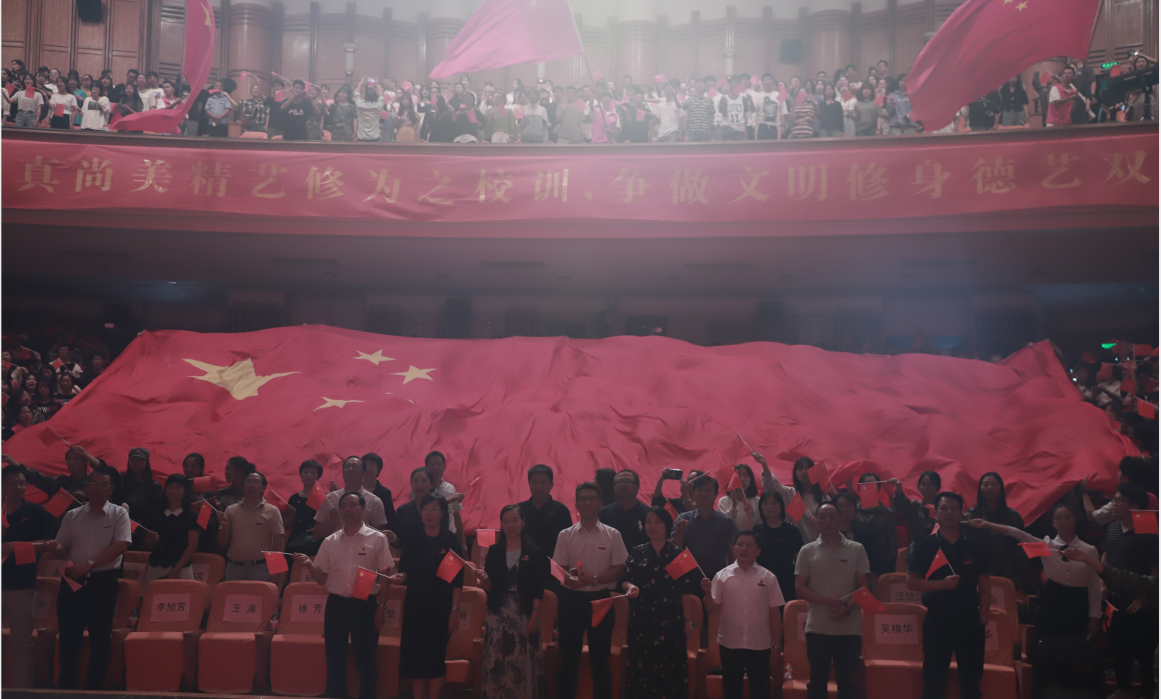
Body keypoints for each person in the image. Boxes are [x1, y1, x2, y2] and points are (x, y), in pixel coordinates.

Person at [295, 491, 394, 699]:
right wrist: (308, 564)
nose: (348, 509)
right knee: (335, 659)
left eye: (353, 504)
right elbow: (321, 579)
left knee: (366, 659)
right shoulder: (330, 541)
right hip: (336, 605)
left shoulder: (377, 538)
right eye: (344, 505)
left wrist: (382, 607)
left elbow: (385, 577)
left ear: (363, 509)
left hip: (365, 606)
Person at [46, 466, 131, 689]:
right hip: (72, 579)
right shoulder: (72, 515)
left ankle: (93, 690)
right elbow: (63, 549)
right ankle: (67, 689)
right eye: (93, 484)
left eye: (103, 485)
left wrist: (89, 564)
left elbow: (121, 546)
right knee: (68, 638)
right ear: (87, 486)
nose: (97, 488)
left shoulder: (119, 514)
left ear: (111, 489)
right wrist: (56, 548)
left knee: (99, 640)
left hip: (103, 581)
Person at [968, 503, 1100, 639]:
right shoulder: (1046, 546)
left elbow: (1094, 585)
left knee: (1077, 645)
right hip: (1053, 600)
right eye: (1058, 518)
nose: (1064, 522)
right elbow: (1017, 533)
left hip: (1079, 602)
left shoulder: (1089, 550)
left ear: (1075, 519)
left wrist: (1094, 617)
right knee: (1050, 644)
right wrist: (987, 524)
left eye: (1068, 517)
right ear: (1052, 523)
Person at [907, 492, 991, 699]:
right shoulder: (924, 545)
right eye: (943, 508)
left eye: (954, 508)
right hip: (937, 619)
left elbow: (985, 585)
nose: (949, 512)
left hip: (970, 619)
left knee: (971, 683)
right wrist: (942, 585)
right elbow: (912, 583)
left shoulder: (976, 546)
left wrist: (983, 618)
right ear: (936, 513)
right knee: (934, 681)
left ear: (962, 513)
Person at [553, 482, 628, 699]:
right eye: (583, 499)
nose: (587, 503)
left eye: (592, 498)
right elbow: (559, 569)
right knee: (568, 658)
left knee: (600, 660)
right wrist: (568, 579)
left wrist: (594, 580)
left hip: (601, 601)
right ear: (576, 504)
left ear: (600, 503)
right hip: (571, 599)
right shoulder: (565, 535)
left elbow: (619, 570)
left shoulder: (613, 534)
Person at [620, 506, 701, 699]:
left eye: (658, 521)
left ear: (667, 525)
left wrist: (687, 620)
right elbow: (625, 580)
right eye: (648, 521)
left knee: (671, 669)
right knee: (642, 668)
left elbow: (685, 591)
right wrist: (630, 587)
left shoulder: (679, 554)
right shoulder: (637, 551)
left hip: (671, 620)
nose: (652, 526)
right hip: (642, 619)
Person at [794, 502, 870, 699]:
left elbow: (864, 588)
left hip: (849, 629)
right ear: (815, 521)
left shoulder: (857, 549)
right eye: (822, 517)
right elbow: (799, 588)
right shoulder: (807, 550)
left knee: (847, 684)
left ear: (841, 519)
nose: (827, 521)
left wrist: (847, 608)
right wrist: (826, 600)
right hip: (817, 628)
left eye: (832, 516)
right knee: (817, 683)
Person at [394, 494, 464, 699]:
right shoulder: (413, 538)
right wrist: (401, 577)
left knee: (435, 655)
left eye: (434, 508)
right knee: (415, 655)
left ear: (442, 513)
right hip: (415, 606)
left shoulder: (449, 541)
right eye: (425, 508)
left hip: (440, 608)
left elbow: (456, 581)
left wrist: (455, 611)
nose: (429, 513)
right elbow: (406, 571)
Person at [476, 503, 548, 699]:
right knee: (496, 658)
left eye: (515, 520)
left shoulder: (534, 551)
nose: (510, 525)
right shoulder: (494, 551)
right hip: (498, 612)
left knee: (520, 660)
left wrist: (534, 616)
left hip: (523, 612)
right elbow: (490, 587)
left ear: (523, 522)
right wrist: (484, 580)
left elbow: (538, 588)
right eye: (506, 521)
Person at [702, 530, 784, 699]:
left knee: (761, 692)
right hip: (729, 643)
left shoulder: (768, 577)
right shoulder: (722, 576)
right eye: (740, 544)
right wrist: (707, 593)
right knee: (731, 691)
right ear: (734, 548)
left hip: (760, 644)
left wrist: (776, 646)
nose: (744, 548)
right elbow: (711, 609)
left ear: (758, 551)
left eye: (749, 545)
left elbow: (775, 613)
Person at [1099, 483, 1158, 698]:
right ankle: (1123, 691)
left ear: (1134, 506)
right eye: (1113, 500)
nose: (1113, 504)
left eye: (1118, 500)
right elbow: (1105, 557)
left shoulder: (1150, 531)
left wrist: (1145, 599)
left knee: (1145, 656)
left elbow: (1156, 571)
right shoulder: (1113, 527)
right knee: (1118, 652)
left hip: (1140, 604)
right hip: (1114, 602)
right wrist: (1102, 584)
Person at [1, 465, 52, 688]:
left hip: (21, 585)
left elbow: (47, 544)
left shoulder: (36, 512)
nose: (19, 487)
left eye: (22, 483)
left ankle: (23, 691)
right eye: (13, 483)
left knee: (22, 644)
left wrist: (13, 548)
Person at [216, 471, 286, 583]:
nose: (252, 485)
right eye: (248, 481)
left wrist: (276, 572)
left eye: (256, 482)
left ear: (263, 488)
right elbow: (222, 543)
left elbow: (279, 544)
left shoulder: (272, 511)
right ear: (242, 486)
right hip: (234, 568)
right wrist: (224, 527)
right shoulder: (231, 510)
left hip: (261, 568)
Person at [965, 472, 1026, 589]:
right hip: (980, 570)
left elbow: (1021, 547)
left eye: (993, 484)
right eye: (985, 484)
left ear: (1001, 488)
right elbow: (968, 544)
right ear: (980, 488)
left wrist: (1019, 575)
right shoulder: (973, 514)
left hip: (1008, 572)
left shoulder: (1013, 516)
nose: (989, 488)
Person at [671, 474, 738, 580]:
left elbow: (732, 552)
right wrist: (679, 531)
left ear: (716, 494)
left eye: (708, 490)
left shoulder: (726, 521)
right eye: (699, 490)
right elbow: (674, 551)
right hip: (688, 579)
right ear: (693, 494)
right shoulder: (683, 519)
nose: (703, 493)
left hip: (718, 579)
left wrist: (730, 577)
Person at [756, 452, 827, 542]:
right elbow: (771, 487)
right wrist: (765, 466)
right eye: (800, 468)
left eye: (808, 468)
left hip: (821, 543)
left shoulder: (825, 498)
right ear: (795, 473)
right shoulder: (790, 493)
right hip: (794, 543)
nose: (804, 471)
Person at [313, 456, 389, 540]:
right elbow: (316, 534)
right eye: (347, 466)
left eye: (355, 466)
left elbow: (380, 536)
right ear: (343, 473)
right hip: (335, 547)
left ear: (363, 473)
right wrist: (331, 523)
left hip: (364, 547)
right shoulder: (330, 499)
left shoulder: (374, 501)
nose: (350, 469)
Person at [754, 490, 804, 604]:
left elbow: (799, 560)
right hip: (762, 581)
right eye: (766, 503)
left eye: (774, 503)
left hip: (787, 581)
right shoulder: (756, 531)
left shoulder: (792, 530)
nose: (770, 506)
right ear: (760, 507)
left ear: (781, 505)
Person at [852, 473, 900, 579]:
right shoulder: (853, 511)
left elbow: (892, 541)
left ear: (878, 489)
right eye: (866, 484)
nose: (869, 486)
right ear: (859, 488)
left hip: (881, 562)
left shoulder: (887, 513)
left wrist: (891, 567)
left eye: (873, 484)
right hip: (857, 559)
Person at [518, 464, 573, 557]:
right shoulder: (519, 510)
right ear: (529, 484)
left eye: (543, 482)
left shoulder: (561, 510)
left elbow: (569, 542)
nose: (538, 486)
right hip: (524, 562)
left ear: (551, 485)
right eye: (534, 482)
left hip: (553, 562)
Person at [598, 469, 650, 550]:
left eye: (628, 481)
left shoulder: (649, 514)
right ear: (614, 487)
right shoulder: (603, 513)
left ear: (637, 487)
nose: (623, 484)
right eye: (619, 482)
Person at [391, 466, 442, 547]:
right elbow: (399, 543)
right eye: (415, 481)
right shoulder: (403, 510)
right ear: (411, 484)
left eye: (424, 481)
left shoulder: (440, 510)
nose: (419, 484)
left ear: (432, 484)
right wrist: (393, 538)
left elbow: (444, 539)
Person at [426, 451, 466, 550]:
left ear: (444, 467)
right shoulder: (421, 488)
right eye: (432, 464)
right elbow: (422, 508)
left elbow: (456, 517)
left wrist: (462, 541)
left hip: (450, 539)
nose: (436, 467)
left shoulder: (450, 488)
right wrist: (450, 500)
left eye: (439, 464)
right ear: (426, 467)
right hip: (428, 539)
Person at [894, 470, 940, 550]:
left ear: (937, 487)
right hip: (919, 548)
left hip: (940, 547)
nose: (926, 488)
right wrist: (899, 488)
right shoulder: (915, 507)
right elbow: (902, 506)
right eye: (923, 484)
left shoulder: (944, 508)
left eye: (930, 484)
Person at [286, 460, 324, 555]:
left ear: (318, 476)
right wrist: (292, 516)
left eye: (312, 473)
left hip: (316, 543)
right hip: (295, 542)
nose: (308, 475)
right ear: (301, 475)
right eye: (305, 472)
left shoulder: (324, 497)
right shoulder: (294, 498)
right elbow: (287, 526)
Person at [717, 463, 760, 531]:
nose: (742, 479)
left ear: (751, 479)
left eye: (746, 475)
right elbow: (723, 524)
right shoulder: (723, 501)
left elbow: (760, 524)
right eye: (738, 475)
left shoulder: (758, 501)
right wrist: (734, 504)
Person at [360, 453, 396, 530]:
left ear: (378, 470)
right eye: (365, 466)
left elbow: (390, 519)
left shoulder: (385, 493)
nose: (368, 469)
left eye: (371, 466)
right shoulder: (354, 490)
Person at [353, 77, 386, 142]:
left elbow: (356, 94)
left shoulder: (360, 105)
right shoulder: (378, 106)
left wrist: (361, 83)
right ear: (375, 97)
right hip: (375, 137)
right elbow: (381, 96)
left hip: (362, 137)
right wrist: (376, 84)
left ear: (365, 96)